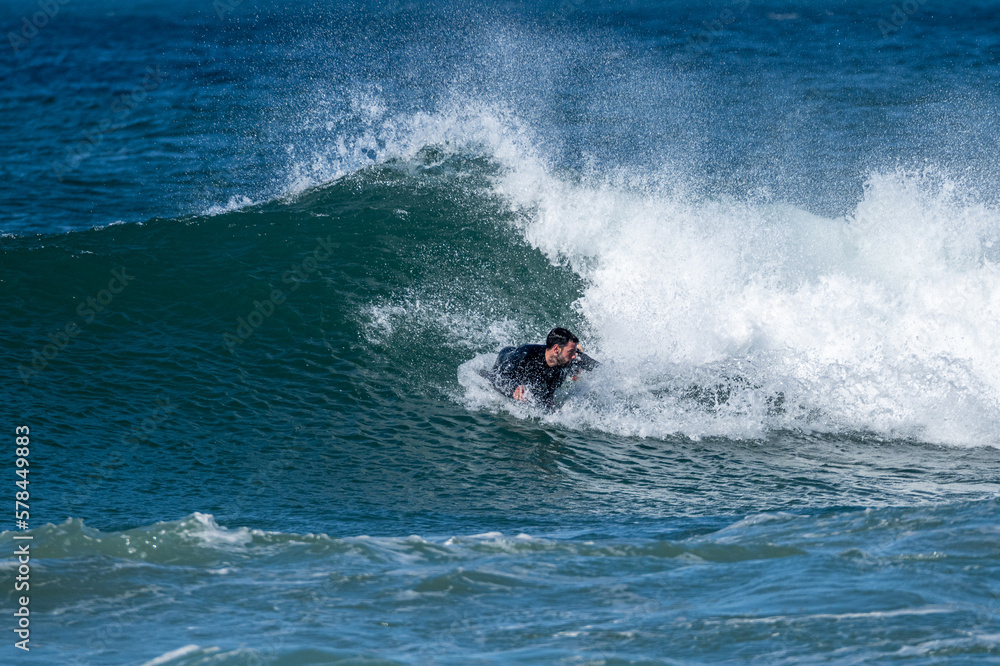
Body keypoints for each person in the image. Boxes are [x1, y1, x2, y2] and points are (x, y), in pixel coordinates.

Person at [488, 327, 600, 410]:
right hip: (507, 357)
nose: (573, 356)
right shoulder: (526, 354)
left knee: (576, 362)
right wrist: (514, 388)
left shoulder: (566, 360)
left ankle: (577, 355)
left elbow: (597, 367)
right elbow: (499, 378)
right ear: (556, 349)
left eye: (573, 351)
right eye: (570, 352)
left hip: (555, 364)